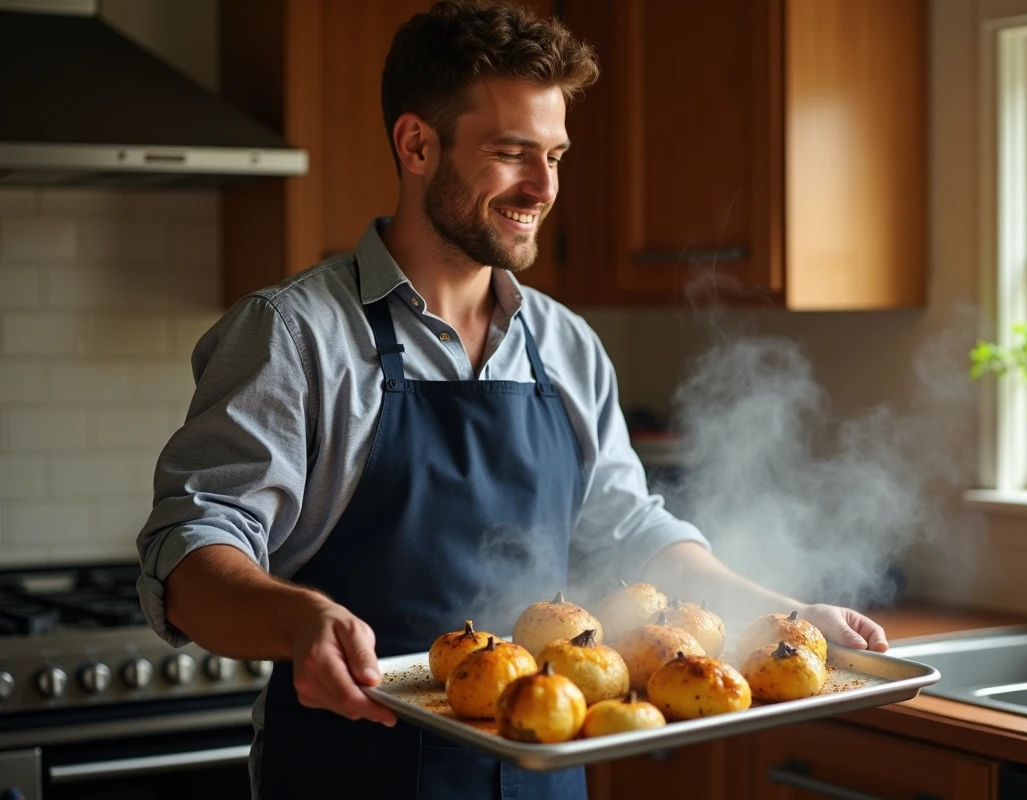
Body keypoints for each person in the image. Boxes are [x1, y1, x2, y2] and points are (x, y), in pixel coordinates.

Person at [135, 1, 889, 798]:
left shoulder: (564, 345)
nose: (543, 187)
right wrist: (298, 621)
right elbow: (189, 551)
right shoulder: (295, 334)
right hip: (353, 775)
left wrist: (794, 618)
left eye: (556, 155)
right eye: (511, 153)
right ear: (416, 143)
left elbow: (632, 530)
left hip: (544, 778)